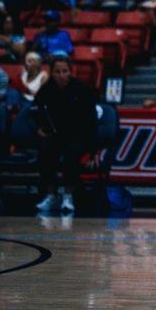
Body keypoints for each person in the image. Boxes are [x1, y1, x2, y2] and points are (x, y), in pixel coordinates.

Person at [33, 57, 97, 215]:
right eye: (57, 72)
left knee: (72, 154)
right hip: (56, 135)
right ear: (51, 73)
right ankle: (52, 195)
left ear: (70, 72)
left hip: (78, 136)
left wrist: (92, 152)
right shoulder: (46, 89)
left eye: (64, 71)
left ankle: (68, 196)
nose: (61, 75)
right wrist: (40, 128)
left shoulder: (82, 89)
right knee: (45, 153)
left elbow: (92, 122)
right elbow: (36, 110)